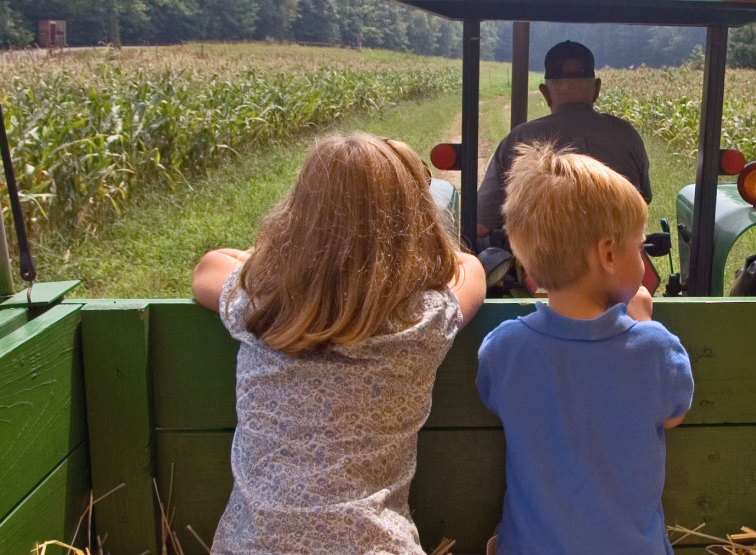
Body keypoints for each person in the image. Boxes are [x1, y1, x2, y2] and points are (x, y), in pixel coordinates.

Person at [189, 134, 486, 554]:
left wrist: (290, 254)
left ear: (298, 215)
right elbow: (469, 267)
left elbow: (209, 267)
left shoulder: (263, 305)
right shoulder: (424, 320)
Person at [476, 143, 692, 554]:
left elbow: (496, 398)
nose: (643, 260)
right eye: (640, 247)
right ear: (609, 254)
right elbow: (673, 416)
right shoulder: (656, 348)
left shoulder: (503, 349)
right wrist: (642, 322)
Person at [476, 40, 652, 239]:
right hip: (618, 259)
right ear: (596, 89)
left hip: (542, 263)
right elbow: (643, 199)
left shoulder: (519, 139)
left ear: (545, 93)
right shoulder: (626, 134)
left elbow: (481, 224)